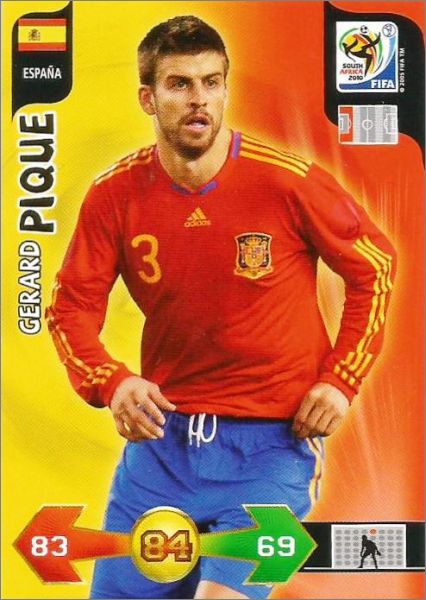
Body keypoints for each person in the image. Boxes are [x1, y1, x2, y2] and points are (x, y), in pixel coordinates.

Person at [46, 15, 396, 600]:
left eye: (212, 82)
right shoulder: (114, 194)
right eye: (180, 84)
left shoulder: (289, 182)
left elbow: (376, 268)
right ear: (148, 99)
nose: (199, 99)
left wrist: (341, 380)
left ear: (226, 91)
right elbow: (70, 306)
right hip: (161, 452)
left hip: (271, 451)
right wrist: (111, 381)